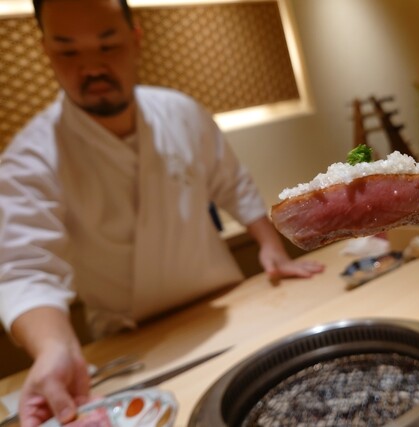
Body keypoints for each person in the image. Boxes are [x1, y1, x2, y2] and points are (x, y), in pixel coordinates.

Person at [0, 0, 324, 425]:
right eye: (68, 50)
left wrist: (271, 247)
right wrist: (53, 347)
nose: (91, 67)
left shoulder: (180, 111)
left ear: (136, 39)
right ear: (45, 51)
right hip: (132, 348)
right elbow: (25, 270)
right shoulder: (30, 157)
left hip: (229, 308)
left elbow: (234, 184)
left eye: (108, 45)